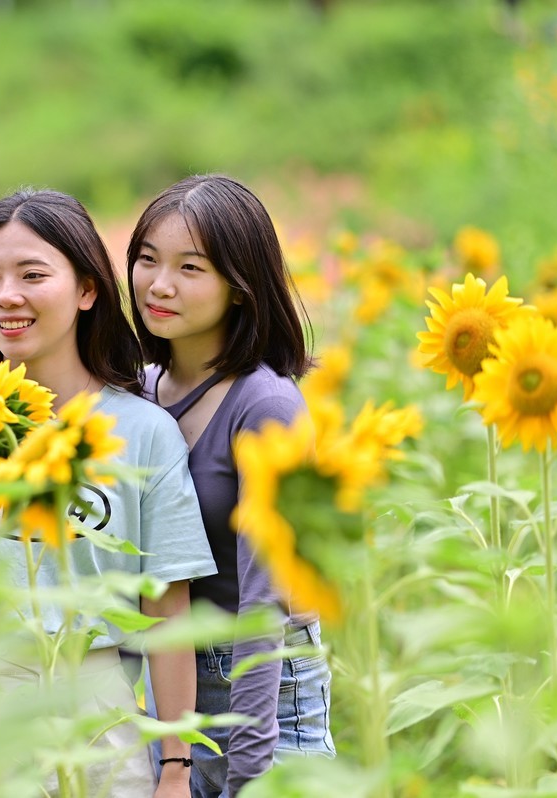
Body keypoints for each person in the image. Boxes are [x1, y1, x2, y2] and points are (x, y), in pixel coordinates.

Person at [0, 188, 217, 797]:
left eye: (33, 274)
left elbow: (168, 613)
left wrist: (174, 767)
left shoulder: (143, 433)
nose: (7, 296)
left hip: (99, 715)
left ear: (87, 290)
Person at [127, 174, 336, 798]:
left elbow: (264, 602)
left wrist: (249, 766)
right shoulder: (139, 393)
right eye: (146, 260)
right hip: (171, 683)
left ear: (240, 288)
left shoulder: (264, 404)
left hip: (264, 682)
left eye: (190, 267)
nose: (159, 285)